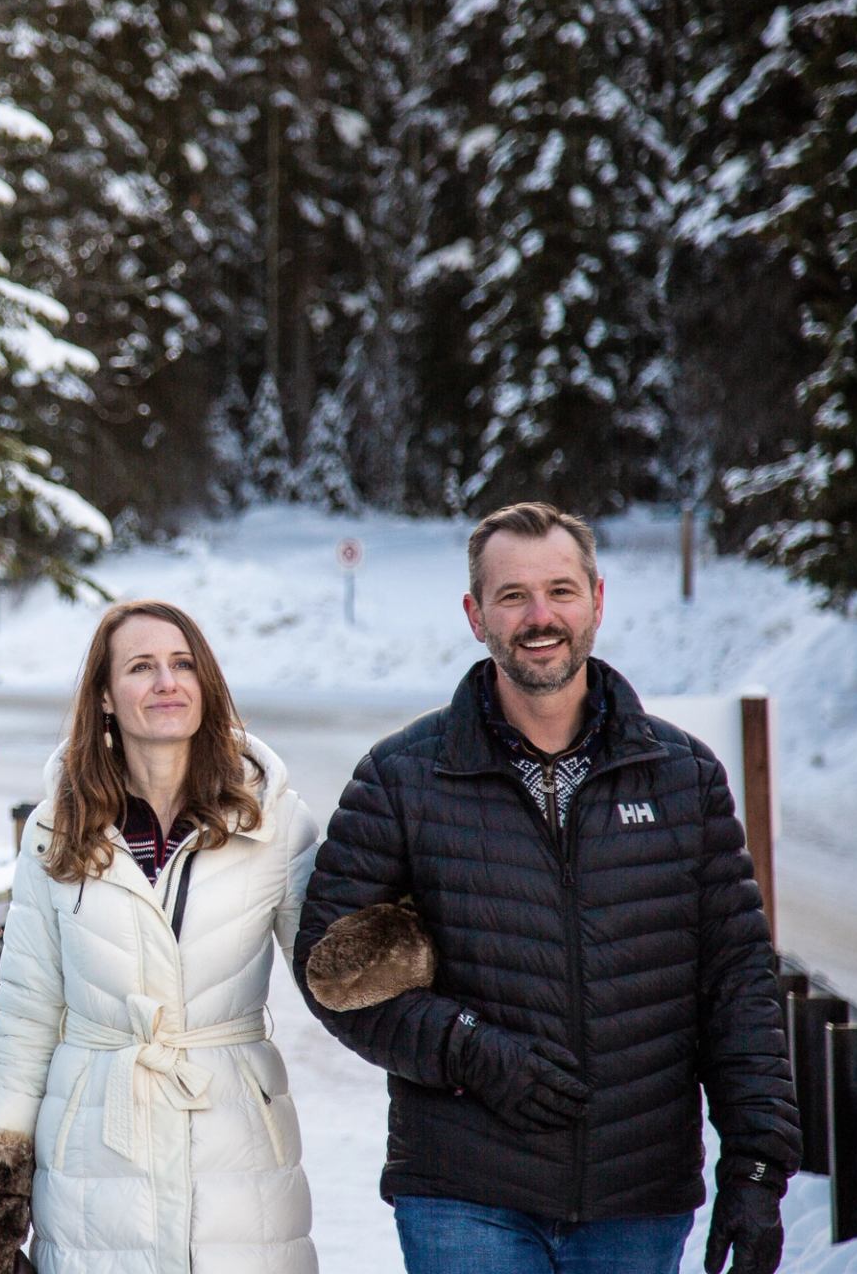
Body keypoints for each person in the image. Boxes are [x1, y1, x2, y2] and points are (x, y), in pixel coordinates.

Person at [292, 502, 800, 1274]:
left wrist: (757, 1165)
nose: (539, 617)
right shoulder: (402, 776)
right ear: (475, 615)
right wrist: (471, 1050)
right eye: (512, 596)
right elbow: (330, 974)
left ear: (598, 600)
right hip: (464, 1189)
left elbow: (737, 982)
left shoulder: (684, 777)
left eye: (561, 591)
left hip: (638, 1193)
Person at [0, 599, 321, 1274]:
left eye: (182, 665)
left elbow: (328, 972)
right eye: (141, 667)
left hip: (236, 1147)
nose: (166, 682)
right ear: (106, 698)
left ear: (207, 685)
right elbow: (27, 1010)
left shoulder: (276, 821)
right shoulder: (56, 828)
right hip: (94, 1155)